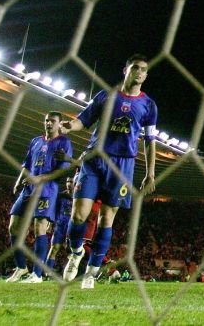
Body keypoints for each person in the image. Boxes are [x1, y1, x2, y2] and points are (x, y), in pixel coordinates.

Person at [59, 54, 158, 289]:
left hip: (123, 165)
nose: (140, 72)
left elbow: (150, 140)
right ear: (126, 69)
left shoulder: (149, 105)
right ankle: (75, 252)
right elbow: (83, 120)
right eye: (135, 68)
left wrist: (150, 173)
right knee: (78, 215)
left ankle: (91, 273)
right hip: (95, 159)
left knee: (106, 219)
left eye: (144, 70)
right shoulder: (105, 96)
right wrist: (69, 126)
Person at [6, 111, 74, 283]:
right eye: (46, 121)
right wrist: (19, 180)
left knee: (40, 229)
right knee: (13, 226)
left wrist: (40, 178)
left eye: (52, 121)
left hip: (47, 189)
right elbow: (27, 164)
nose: (49, 123)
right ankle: (21, 268)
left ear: (60, 124)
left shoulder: (64, 143)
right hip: (28, 188)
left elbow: (63, 170)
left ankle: (36, 274)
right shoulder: (36, 141)